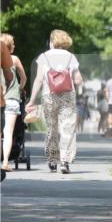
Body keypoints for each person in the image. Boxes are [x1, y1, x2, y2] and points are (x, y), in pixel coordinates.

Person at [26, 29, 84, 174]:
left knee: (52, 128)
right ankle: (65, 161)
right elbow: (78, 79)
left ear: (52, 42)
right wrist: (81, 92)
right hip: (67, 95)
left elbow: (39, 80)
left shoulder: (43, 57)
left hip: (49, 95)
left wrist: (32, 101)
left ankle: (52, 160)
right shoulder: (71, 57)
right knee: (67, 128)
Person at [1, 34, 28, 172]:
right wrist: (20, 88)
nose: (15, 46)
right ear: (9, 46)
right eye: (13, 44)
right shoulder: (14, 59)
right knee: (8, 132)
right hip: (12, 99)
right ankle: (5, 162)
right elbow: (23, 78)